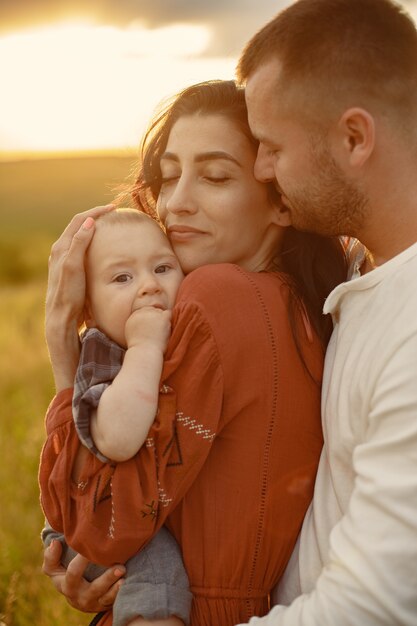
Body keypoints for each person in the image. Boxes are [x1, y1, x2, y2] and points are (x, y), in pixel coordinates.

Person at [39, 80, 347, 626]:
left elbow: (102, 524)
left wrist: (64, 346)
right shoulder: (302, 304)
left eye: (215, 176)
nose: (176, 203)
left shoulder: (215, 300)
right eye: (168, 176)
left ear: (281, 198)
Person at [234, 0, 417, 624]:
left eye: (270, 145)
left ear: (354, 137)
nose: (259, 168)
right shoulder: (360, 270)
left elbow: (373, 608)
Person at [40, 208, 192, 626]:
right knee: (158, 569)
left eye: (163, 268)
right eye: (122, 278)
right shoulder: (103, 354)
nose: (149, 286)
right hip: (88, 515)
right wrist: (145, 348)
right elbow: (119, 438)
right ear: (88, 310)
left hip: (123, 505)